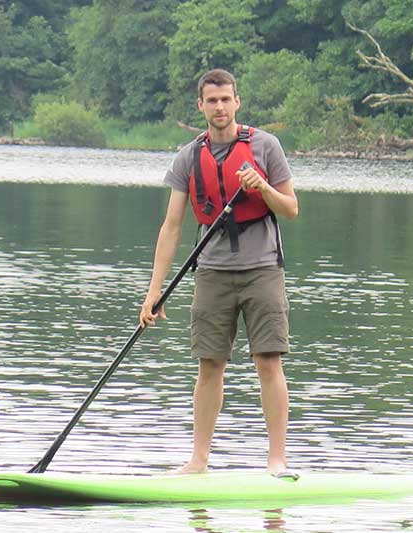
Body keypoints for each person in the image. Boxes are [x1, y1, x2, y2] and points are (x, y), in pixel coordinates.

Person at [139, 68, 299, 476]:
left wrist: (262, 187)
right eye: (212, 101)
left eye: (226, 99)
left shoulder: (266, 146)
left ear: (237, 102)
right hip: (211, 271)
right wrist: (153, 293)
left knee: (268, 361)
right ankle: (199, 461)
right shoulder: (188, 156)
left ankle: (277, 460)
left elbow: (291, 209)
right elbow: (171, 226)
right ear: (201, 106)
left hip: (262, 268)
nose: (220, 107)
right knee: (209, 365)